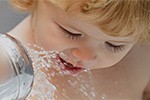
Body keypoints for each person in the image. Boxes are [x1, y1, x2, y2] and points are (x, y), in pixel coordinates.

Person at [8, 0, 150, 99]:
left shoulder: (143, 57)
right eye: (71, 33)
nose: (86, 56)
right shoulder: (8, 70)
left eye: (114, 45)